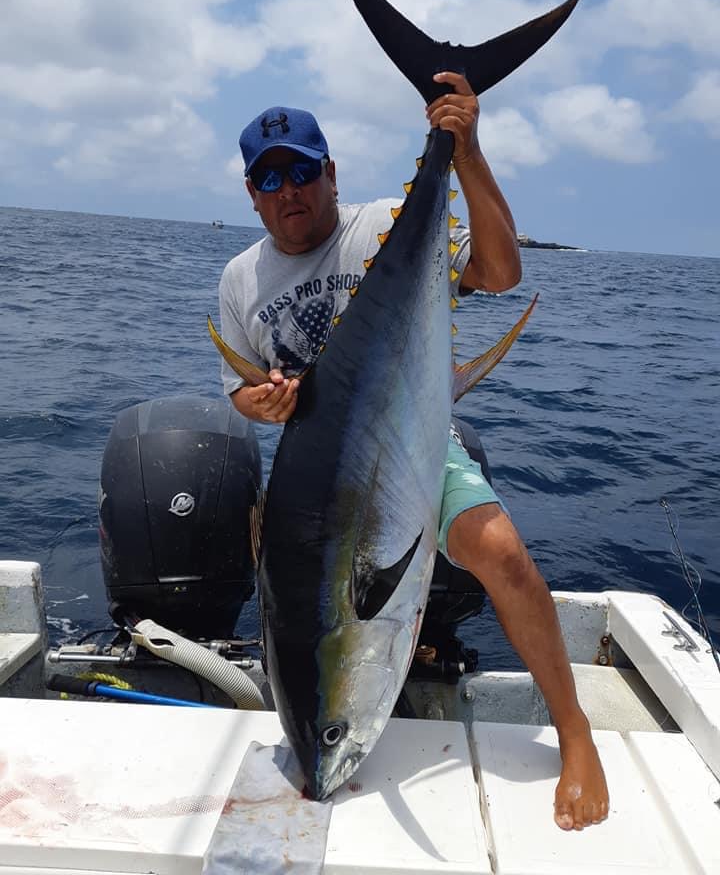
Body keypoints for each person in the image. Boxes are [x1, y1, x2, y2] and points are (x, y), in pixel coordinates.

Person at [218, 72, 609, 831]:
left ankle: (576, 732)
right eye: (271, 178)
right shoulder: (242, 277)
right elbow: (234, 387)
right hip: (310, 482)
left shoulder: (378, 229)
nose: (289, 189)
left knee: (502, 554)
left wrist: (462, 150)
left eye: (303, 170)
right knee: (291, 608)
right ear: (252, 192)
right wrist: (257, 403)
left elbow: (500, 273)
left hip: (405, 447)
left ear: (330, 174)